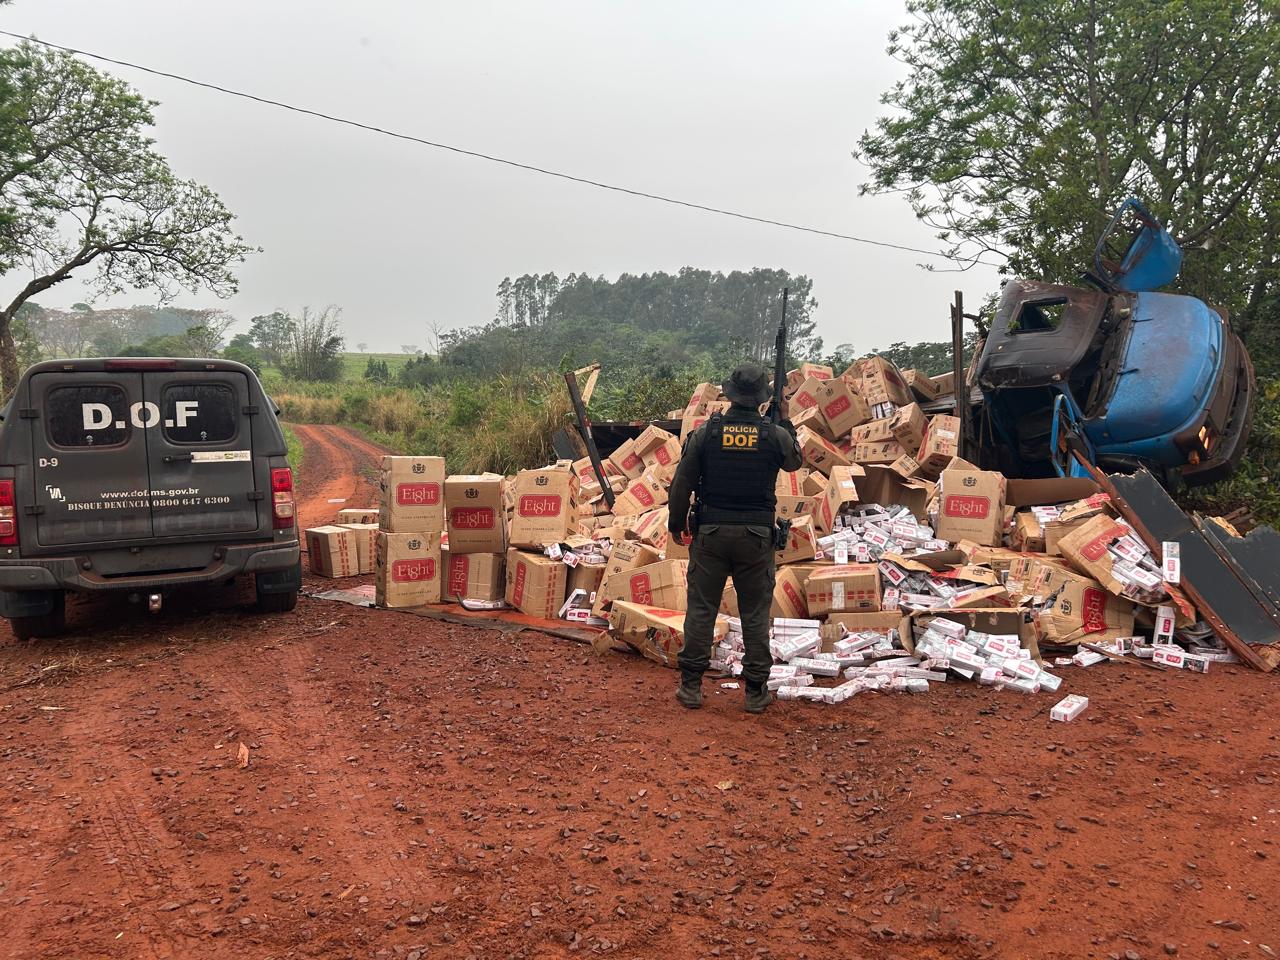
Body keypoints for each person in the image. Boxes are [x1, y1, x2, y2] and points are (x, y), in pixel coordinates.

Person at [667, 362, 803, 714]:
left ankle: (691, 687)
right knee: (755, 614)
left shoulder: (705, 434)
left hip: (710, 534)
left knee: (701, 610)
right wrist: (783, 418)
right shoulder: (774, 435)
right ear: (762, 398)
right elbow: (794, 463)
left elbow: (681, 483)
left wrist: (675, 523)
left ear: (729, 393)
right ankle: (756, 692)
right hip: (756, 537)